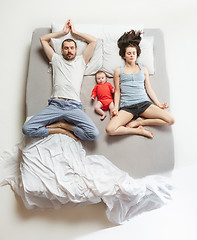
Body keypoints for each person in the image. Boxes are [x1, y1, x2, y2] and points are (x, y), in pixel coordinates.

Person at [22, 19, 99, 141]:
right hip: (55, 105)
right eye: (66, 48)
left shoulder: (81, 61)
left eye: (72, 48)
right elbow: (43, 39)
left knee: (93, 134)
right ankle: (58, 129)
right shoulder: (56, 59)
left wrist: (75, 32)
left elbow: (93, 41)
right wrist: (62, 33)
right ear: (62, 50)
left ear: (76, 50)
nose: (69, 50)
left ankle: (64, 126)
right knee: (27, 129)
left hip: (74, 106)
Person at [106, 30, 174, 138]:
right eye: (129, 53)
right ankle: (139, 131)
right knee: (110, 129)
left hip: (144, 104)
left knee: (171, 120)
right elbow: (117, 91)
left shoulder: (144, 69)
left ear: (137, 54)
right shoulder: (118, 71)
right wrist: (115, 107)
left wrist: (158, 103)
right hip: (127, 107)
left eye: (134, 53)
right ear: (124, 56)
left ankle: (140, 123)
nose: (132, 55)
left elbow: (149, 88)